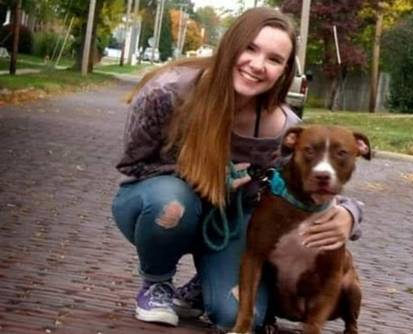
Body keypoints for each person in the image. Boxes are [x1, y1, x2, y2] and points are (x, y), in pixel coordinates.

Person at [111, 6, 363, 333]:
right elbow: (134, 164)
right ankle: (157, 283)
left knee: (238, 318)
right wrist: (200, 177)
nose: (257, 65)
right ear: (231, 45)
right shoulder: (168, 91)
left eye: (274, 59)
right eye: (250, 48)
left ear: (285, 71)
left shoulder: (286, 130)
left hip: (228, 224)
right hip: (156, 204)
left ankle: (204, 285)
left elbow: (305, 183)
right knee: (172, 203)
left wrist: (348, 214)